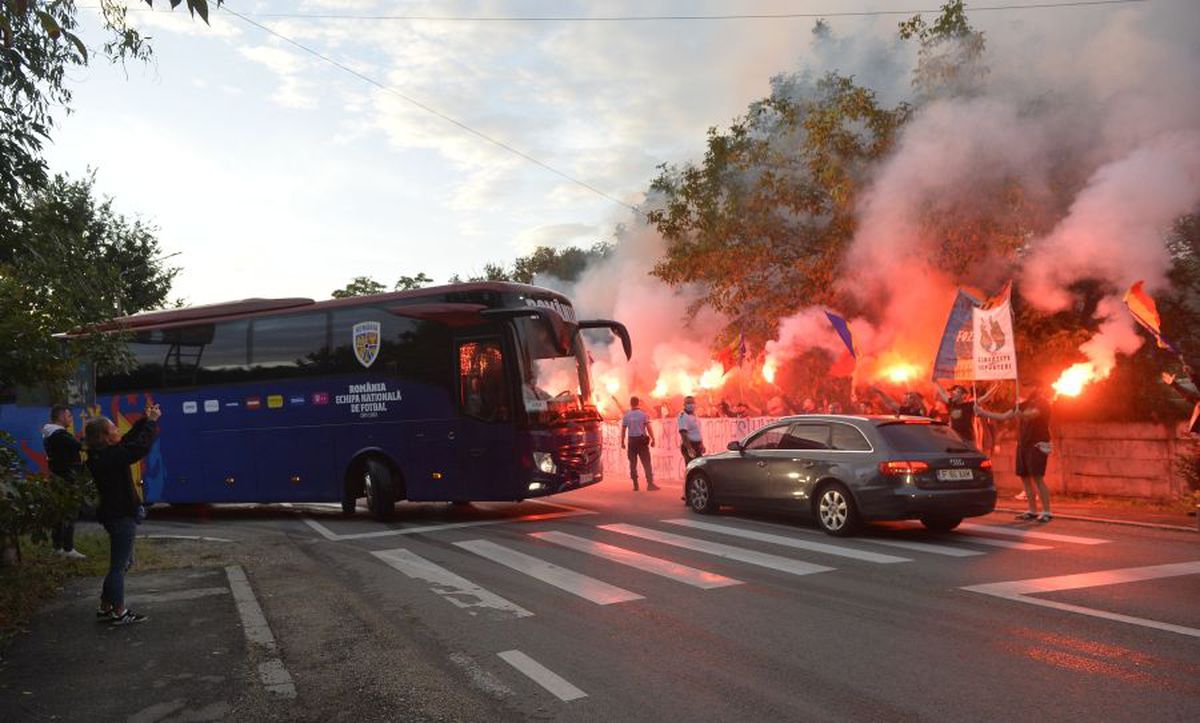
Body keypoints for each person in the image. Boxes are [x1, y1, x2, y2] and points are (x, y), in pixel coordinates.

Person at [85, 403, 161, 625]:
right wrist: (152, 423)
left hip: (115, 515)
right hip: (120, 516)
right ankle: (119, 611)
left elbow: (128, 440)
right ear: (105, 437)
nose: (118, 430)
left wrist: (144, 420)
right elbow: (139, 448)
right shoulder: (111, 457)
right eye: (113, 429)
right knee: (119, 567)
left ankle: (105, 606)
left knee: (124, 563)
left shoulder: (102, 455)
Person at [977, 379, 1053, 523]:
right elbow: (1003, 416)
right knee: (1024, 477)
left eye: (1027, 385)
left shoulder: (1043, 403)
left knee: (1037, 477)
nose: (1023, 388)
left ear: (1036, 387)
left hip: (1037, 444)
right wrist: (982, 412)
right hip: (1023, 444)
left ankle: (1047, 511)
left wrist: (1022, 414)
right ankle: (1032, 510)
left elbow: (1033, 414)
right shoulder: (1022, 405)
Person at [42, 404, 86, 559]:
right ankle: (68, 548)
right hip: (67, 479)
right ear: (60, 417)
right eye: (68, 416)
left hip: (58, 478)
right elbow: (81, 446)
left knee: (59, 513)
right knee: (69, 513)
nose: (70, 418)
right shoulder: (59, 435)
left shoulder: (51, 434)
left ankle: (57, 547)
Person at [933, 383, 997, 448]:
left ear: (963, 395)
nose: (954, 393)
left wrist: (996, 386)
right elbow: (942, 393)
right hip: (955, 440)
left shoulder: (969, 406)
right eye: (954, 391)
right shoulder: (952, 404)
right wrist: (935, 382)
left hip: (968, 441)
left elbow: (985, 398)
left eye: (957, 392)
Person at [620, 396, 658, 491]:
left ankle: (635, 485)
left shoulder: (626, 415)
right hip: (641, 441)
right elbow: (648, 427)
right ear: (638, 403)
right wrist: (653, 439)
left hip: (631, 441)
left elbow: (623, 430)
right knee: (646, 463)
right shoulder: (643, 415)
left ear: (630, 404)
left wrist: (622, 441)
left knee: (633, 463)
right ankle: (650, 484)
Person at [678, 395, 705, 464]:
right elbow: (683, 434)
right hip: (690, 445)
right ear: (684, 404)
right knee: (691, 468)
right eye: (688, 403)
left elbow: (697, 431)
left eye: (692, 403)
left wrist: (701, 444)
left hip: (697, 446)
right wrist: (689, 449)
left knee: (699, 467)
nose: (691, 405)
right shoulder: (683, 416)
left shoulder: (695, 415)